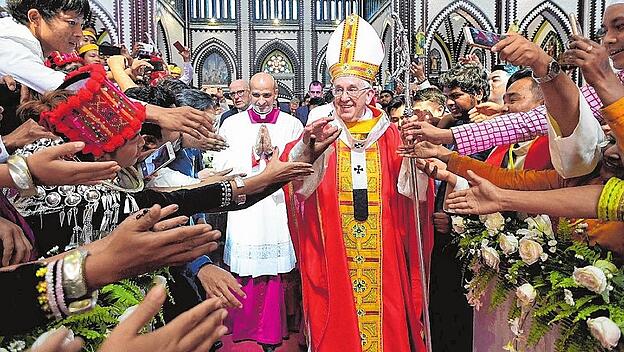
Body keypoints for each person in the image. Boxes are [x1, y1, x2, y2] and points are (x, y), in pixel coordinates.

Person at [282, 14, 428, 351]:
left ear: (370, 93)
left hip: (385, 247)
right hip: (333, 245)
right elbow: (295, 182)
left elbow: (414, 193)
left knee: (386, 316)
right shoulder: (321, 131)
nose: (344, 97)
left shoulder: (391, 134)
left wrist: (416, 158)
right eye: (338, 89)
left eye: (353, 89)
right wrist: (309, 148)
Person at [0, 0, 215, 143]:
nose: (78, 33)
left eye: (80, 24)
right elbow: (73, 90)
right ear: (35, 18)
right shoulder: (10, 43)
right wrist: (159, 114)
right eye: (71, 23)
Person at [211, 72, 304, 351]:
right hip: (245, 205)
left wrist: (275, 157)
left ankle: (273, 327)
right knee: (244, 266)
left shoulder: (292, 124)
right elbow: (220, 162)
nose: (261, 101)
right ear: (249, 93)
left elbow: (300, 163)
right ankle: (244, 324)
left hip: (277, 206)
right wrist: (252, 154)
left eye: (267, 95)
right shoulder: (233, 124)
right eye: (256, 95)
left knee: (275, 269)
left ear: (276, 94)